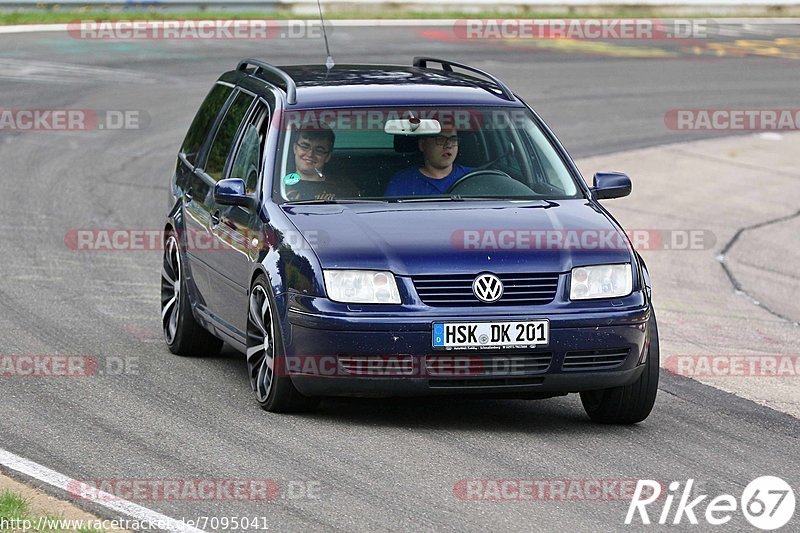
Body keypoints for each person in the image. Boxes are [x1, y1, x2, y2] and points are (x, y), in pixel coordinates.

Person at [384, 128, 472, 197]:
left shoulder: (473, 178)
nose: (448, 145)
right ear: (422, 144)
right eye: (440, 139)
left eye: (453, 139)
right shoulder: (402, 182)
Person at [284, 125, 358, 201]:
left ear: (328, 156)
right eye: (305, 146)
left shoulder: (344, 187)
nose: (310, 154)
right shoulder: (280, 187)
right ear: (295, 148)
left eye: (319, 150)